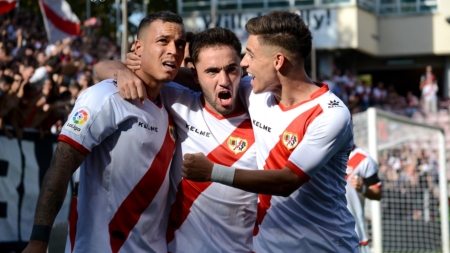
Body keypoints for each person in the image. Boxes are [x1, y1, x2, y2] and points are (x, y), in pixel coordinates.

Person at [181, 11, 359, 252]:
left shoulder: (330, 115)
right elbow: (203, 75)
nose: (243, 63)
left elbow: (287, 182)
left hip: (322, 246)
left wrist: (212, 172)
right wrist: (129, 71)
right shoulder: (255, 92)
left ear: (277, 61)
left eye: (251, 55)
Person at [22, 11, 185, 253]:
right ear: (137, 48)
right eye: (163, 41)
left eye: (180, 43)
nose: (174, 49)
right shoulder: (105, 96)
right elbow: (61, 165)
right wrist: (38, 242)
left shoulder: (171, 102)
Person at [94, 27, 257, 253]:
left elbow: (284, 183)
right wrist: (124, 72)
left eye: (231, 69)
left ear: (242, 69)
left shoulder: (262, 111)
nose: (224, 80)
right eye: (211, 71)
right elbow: (101, 66)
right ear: (194, 75)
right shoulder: (178, 101)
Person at [345, 146, 382, 253]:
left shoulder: (363, 159)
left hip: (354, 234)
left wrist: (363, 188)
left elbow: (377, 193)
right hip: (324, 230)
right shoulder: (322, 153)